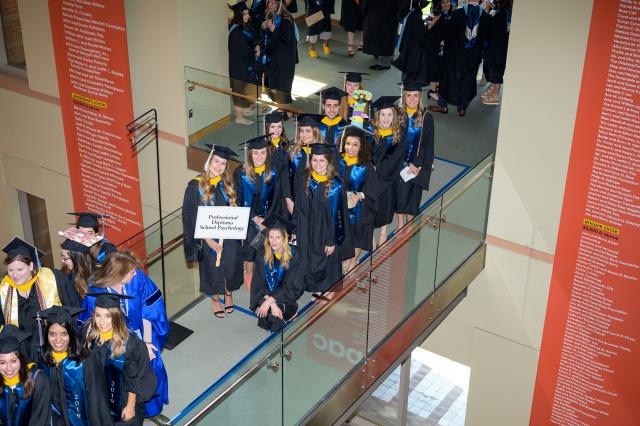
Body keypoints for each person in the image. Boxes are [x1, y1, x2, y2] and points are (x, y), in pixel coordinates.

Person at [78, 251, 169, 420]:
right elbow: (90, 325)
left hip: (140, 337)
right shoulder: (95, 294)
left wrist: (147, 343)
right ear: (119, 275)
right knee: (119, 379)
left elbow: (149, 311)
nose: (135, 273)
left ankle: (151, 411)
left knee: (153, 366)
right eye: (131, 271)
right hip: (111, 345)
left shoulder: (138, 280)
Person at [182, 145, 244, 318]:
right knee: (212, 269)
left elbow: (236, 210)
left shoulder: (229, 186)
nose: (219, 166)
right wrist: (208, 240)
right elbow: (190, 218)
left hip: (228, 237)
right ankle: (215, 298)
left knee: (230, 266)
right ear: (209, 161)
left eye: (223, 163)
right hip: (207, 238)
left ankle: (228, 294)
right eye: (216, 161)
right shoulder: (195, 187)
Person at [1, 237, 81, 361]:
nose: (15, 275)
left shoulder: (53, 278)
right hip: (25, 355)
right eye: (10, 270)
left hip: (57, 350)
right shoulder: (4, 291)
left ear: (31, 266)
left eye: (20, 269)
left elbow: (75, 310)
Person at [83, 293, 157, 425]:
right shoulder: (90, 337)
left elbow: (136, 377)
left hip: (123, 400)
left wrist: (130, 406)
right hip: (98, 399)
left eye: (108, 316)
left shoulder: (130, 343)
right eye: (98, 315)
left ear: (116, 317)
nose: (102, 322)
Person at [38, 306, 114, 426]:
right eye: (52, 334)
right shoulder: (42, 358)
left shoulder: (85, 360)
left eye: (64, 333)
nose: (58, 340)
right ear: (46, 335)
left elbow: (97, 400)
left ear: (71, 335)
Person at [293, 144, 352, 295]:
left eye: (321, 161)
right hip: (306, 228)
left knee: (326, 259)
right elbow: (297, 206)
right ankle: (313, 286)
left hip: (325, 232)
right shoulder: (304, 179)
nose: (317, 164)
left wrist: (331, 241)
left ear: (328, 162)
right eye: (314, 160)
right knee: (308, 257)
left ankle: (326, 288)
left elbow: (338, 217)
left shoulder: (336, 185)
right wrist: (295, 229)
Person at [236, 135, 287, 285]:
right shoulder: (241, 173)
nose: (259, 156)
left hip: (269, 219)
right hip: (248, 219)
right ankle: (250, 273)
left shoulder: (274, 172)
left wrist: (267, 219)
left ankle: (266, 274)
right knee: (249, 249)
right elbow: (236, 199)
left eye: (263, 153)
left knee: (267, 248)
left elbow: (278, 198)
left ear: (268, 154)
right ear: (250, 154)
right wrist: (253, 218)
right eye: (256, 153)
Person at [429, 0, 490, 116]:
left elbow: (448, 36)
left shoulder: (457, 13)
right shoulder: (486, 17)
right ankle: (462, 108)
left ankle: (443, 106)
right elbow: (487, 41)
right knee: (468, 80)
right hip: (473, 58)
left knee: (448, 79)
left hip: (454, 55)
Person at [250, 216, 304, 332]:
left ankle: (289, 310)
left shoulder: (295, 255)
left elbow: (292, 286)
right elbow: (259, 282)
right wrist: (271, 303)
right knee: (269, 317)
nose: (273, 241)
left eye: (278, 237)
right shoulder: (262, 252)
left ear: (285, 238)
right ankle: (278, 309)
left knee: (275, 321)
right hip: (266, 293)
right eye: (271, 237)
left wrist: (269, 302)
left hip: (284, 295)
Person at [337, 126, 378, 271]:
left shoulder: (366, 166)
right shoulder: (339, 162)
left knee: (360, 228)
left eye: (355, 144)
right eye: (348, 143)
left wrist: (360, 195)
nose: (350, 148)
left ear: (361, 147)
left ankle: (353, 261)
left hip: (360, 209)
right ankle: (347, 260)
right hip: (341, 207)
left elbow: (372, 189)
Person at [396, 82, 435, 227]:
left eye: (416, 96)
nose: (412, 99)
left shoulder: (426, 117)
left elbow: (427, 144)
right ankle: (400, 223)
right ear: (404, 96)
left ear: (420, 97)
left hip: (417, 165)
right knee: (400, 194)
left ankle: (410, 223)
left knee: (413, 195)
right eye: (409, 95)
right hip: (400, 163)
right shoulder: (398, 115)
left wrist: (417, 164)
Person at [370, 96, 406, 246]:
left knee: (386, 202)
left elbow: (397, 157)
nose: (386, 118)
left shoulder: (398, 134)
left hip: (389, 176)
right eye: (382, 115)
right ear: (377, 116)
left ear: (394, 116)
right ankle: (370, 234)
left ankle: (383, 232)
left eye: (389, 114)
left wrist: (381, 172)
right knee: (370, 204)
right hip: (371, 175)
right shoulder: (371, 133)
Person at [0, 325, 51, 425]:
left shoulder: (38, 379)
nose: (9, 368)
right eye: (2, 363)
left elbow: (41, 419)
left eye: (13, 361)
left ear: (21, 359)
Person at [228, 1, 260, 125]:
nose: (247, 16)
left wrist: (255, 46)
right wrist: (255, 53)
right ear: (238, 15)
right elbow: (244, 51)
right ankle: (239, 117)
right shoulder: (236, 32)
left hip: (241, 64)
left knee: (242, 89)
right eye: (245, 14)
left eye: (247, 13)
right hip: (238, 66)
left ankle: (242, 111)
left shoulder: (239, 27)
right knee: (238, 90)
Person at [262, 0, 298, 106]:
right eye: (269, 2)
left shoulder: (286, 19)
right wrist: (264, 25)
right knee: (275, 86)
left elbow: (284, 39)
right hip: (275, 57)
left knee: (283, 89)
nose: (270, 5)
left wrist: (274, 30)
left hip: (284, 60)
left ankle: (288, 112)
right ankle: (281, 110)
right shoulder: (272, 15)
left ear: (279, 4)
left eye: (273, 3)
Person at [287, 113, 325, 211]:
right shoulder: (295, 153)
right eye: (302, 131)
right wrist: (289, 200)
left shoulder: (325, 153)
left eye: (308, 131)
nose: (304, 135)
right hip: (296, 203)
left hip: (317, 205)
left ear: (315, 131)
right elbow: (286, 178)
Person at [481, 0, 511, 106]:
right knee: (494, 67)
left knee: (497, 69)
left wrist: (486, 11)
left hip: (499, 46)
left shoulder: (503, 13)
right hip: (495, 45)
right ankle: (493, 89)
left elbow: (491, 25)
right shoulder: (499, 11)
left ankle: (495, 96)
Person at [393, 0, 430, 84]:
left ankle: (407, 80)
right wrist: (428, 26)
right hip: (412, 47)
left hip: (406, 44)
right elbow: (420, 36)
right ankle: (409, 82)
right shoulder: (416, 15)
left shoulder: (410, 13)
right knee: (412, 65)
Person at [363, 0, 401, 70]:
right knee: (380, 34)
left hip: (389, 12)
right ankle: (379, 54)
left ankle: (385, 63)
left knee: (386, 36)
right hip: (380, 10)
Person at [426, 0, 453, 101]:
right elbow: (427, 28)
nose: (446, 4)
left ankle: (436, 87)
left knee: (441, 67)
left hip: (444, 47)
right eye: (443, 3)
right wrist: (439, 41)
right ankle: (432, 90)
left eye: (448, 2)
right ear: (439, 4)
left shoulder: (449, 14)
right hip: (436, 47)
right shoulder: (435, 14)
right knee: (435, 67)